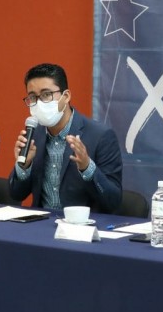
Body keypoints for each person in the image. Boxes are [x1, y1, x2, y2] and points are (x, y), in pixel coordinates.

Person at [9, 63, 122, 213]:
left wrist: (87, 167)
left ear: (66, 96)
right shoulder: (33, 134)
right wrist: (24, 166)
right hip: (41, 223)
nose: (39, 103)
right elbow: (16, 194)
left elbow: (113, 201)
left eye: (46, 94)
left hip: (83, 224)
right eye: (33, 97)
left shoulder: (100, 136)